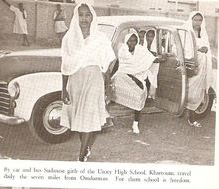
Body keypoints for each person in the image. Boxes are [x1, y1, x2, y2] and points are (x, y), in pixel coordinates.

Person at [60, 1, 116, 162]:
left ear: (92, 17)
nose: (84, 19)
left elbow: (107, 64)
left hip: (94, 79)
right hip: (75, 80)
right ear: (76, 17)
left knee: (89, 115)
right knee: (79, 118)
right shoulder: (69, 38)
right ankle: (86, 146)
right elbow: (65, 65)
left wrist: (108, 86)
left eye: (87, 15)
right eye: (81, 15)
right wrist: (63, 89)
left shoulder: (100, 38)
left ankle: (81, 155)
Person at [111, 31, 164, 134]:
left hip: (138, 77)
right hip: (124, 76)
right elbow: (125, 65)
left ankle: (135, 123)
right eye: (130, 40)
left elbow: (150, 60)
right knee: (112, 89)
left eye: (134, 40)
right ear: (126, 41)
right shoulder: (123, 50)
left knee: (140, 96)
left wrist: (159, 59)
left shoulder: (141, 50)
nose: (132, 42)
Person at [184, 11, 213, 127]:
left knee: (197, 92)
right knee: (190, 91)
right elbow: (184, 48)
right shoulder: (186, 31)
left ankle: (191, 117)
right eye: (195, 19)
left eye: (199, 20)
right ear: (191, 20)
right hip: (191, 66)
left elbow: (208, 48)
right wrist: (197, 51)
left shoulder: (203, 33)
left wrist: (205, 49)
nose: (197, 22)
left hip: (202, 66)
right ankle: (190, 118)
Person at [144, 29, 160, 100]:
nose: (149, 38)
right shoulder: (143, 47)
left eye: (151, 36)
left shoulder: (159, 48)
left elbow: (158, 59)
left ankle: (150, 96)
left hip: (153, 69)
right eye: (147, 36)